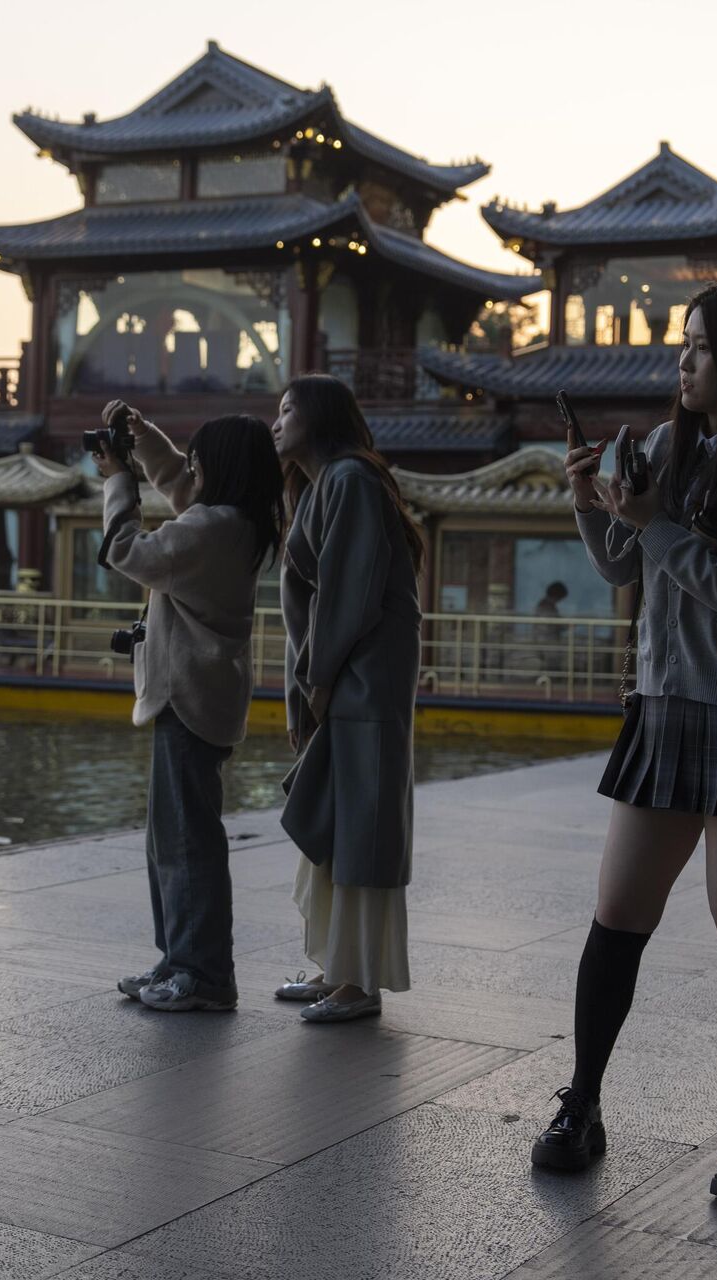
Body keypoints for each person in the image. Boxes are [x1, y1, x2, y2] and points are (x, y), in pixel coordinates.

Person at [536, 280, 717, 1208]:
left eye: (702, 346)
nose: (684, 359)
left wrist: (651, 520)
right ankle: (581, 1106)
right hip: (665, 703)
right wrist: (594, 502)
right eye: (685, 342)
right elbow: (629, 563)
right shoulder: (671, 446)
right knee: (616, 917)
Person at [94, 401, 284, 1012]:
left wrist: (117, 480)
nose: (190, 468)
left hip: (188, 697)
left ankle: (202, 975)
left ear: (219, 469)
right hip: (201, 694)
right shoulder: (235, 520)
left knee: (185, 843)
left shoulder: (209, 528)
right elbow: (180, 482)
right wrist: (142, 437)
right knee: (172, 838)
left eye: (201, 460)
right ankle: (180, 961)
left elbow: (129, 552)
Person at [272, 373, 424, 1024]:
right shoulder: (320, 485)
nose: (275, 422)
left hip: (360, 676)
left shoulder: (350, 480)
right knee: (337, 820)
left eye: (287, 410)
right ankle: (338, 965)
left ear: (321, 416)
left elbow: (348, 593)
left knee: (361, 826)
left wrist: (320, 681)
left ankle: (359, 983)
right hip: (343, 675)